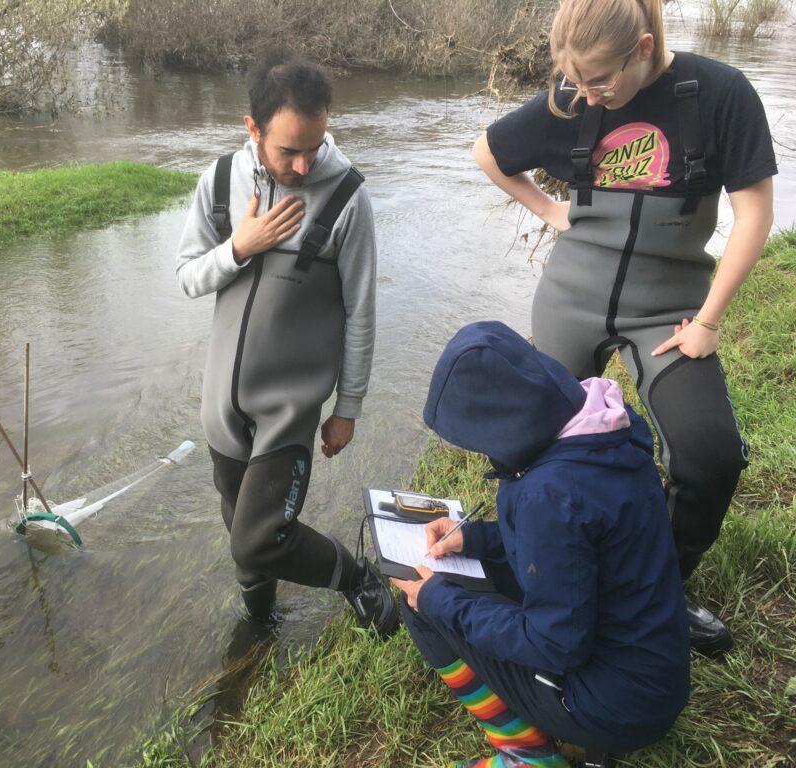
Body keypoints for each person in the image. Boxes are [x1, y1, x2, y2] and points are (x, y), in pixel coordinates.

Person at [471, 0, 776, 656]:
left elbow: (754, 216)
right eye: (575, 82)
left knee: (709, 456)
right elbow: (487, 152)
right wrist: (550, 209)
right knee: (522, 449)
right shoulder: (569, 99)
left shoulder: (719, 94)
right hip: (572, 296)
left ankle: (658, 587)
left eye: (599, 82)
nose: (585, 97)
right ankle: (534, 573)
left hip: (669, 309)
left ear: (642, 46)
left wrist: (709, 321)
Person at [393, 320, 690, 767]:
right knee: (442, 588)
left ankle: (527, 754)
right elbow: (572, 548)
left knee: (422, 603)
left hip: (611, 706)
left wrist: (442, 601)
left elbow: (555, 645)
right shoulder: (602, 427)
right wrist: (469, 537)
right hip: (655, 675)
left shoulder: (548, 494)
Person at [176, 51, 398, 637]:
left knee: (258, 538)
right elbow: (187, 276)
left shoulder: (347, 196)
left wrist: (347, 408)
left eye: (315, 145)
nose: (304, 163)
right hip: (220, 409)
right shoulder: (220, 181)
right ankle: (259, 621)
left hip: (287, 413)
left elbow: (361, 312)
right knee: (242, 536)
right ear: (252, 128)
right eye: (287, 151)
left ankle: (358, 580)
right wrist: (238, 248)